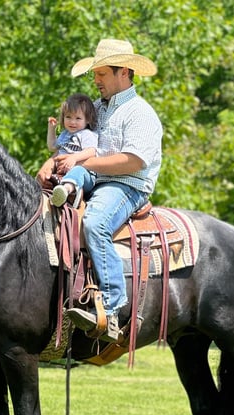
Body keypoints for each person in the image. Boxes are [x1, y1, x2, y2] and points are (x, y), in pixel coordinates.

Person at [37, 39, 163, 343]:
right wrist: (50, 163)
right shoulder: (94, 109)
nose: (96, 80)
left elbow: (134, 161)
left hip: (125, 185)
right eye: (95, 74)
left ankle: (113, 308)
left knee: (95, 222)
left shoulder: (140, 113)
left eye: (102, 74)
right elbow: (71, 143)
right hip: (91, 177)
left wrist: (86, 161)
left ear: (124, 72)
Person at [45, 93, 98, 207]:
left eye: (78, 118)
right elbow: (52, 146)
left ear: (87, 120)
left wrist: (73, 158)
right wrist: (51, 129)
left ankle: (66, 190)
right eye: (68, 117)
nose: (72, 122)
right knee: (45, 176)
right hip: (62, 173)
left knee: (78, 170)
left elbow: (92, 151)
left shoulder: (86, 134)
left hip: (85, 176)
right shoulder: (65, 134)